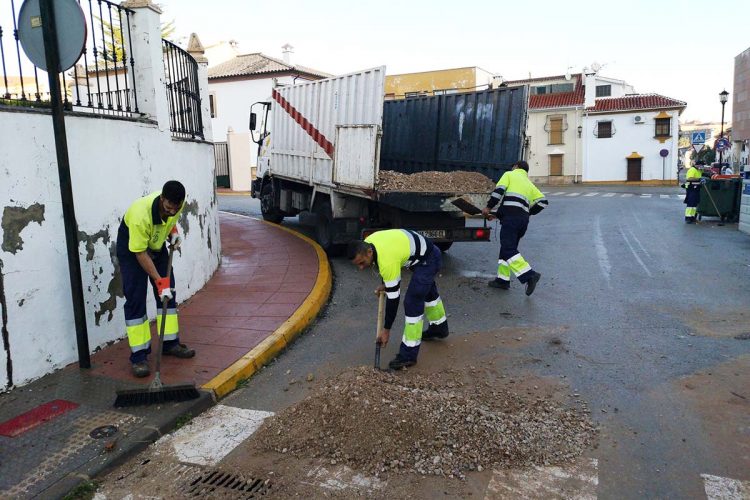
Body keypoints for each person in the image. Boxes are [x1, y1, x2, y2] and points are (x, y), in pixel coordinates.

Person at [116, 180, 195, 378]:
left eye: (175, 208)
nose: (171, 211)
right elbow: (141, 254)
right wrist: (160, 282)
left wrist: (173, 233)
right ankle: (139, 357)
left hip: (157, 244)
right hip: (134, 250)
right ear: (162, 199)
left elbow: (169, 220)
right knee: (135, 299)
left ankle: (170, 344)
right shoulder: (139, 215)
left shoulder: (176, 204)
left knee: (168, 296)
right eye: (168, 207)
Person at [347, 229, 448, 370]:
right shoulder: (370, 242)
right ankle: (439, 328)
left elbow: (393, 299)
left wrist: (386, 330)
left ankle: (408, 355)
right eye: (358, 264)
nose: (361, 268)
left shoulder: (386, 259)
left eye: (362, 263)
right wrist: (386, 284)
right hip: (420, 255)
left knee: (412, 301)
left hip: (429, 259)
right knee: (427, 292)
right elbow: (384, 263)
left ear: (369, 252)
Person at [481, 161, 547, 295]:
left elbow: (498, 192)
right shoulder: (529, 183)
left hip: (511, 220)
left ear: (516, 166)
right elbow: (543, 202)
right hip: (522, 221)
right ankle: (502, 280)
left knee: (508, 248)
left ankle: (530, 275)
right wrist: (529, 212)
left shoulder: (509, 175)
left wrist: (488, 207)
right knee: (507, 248)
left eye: (513, 166)